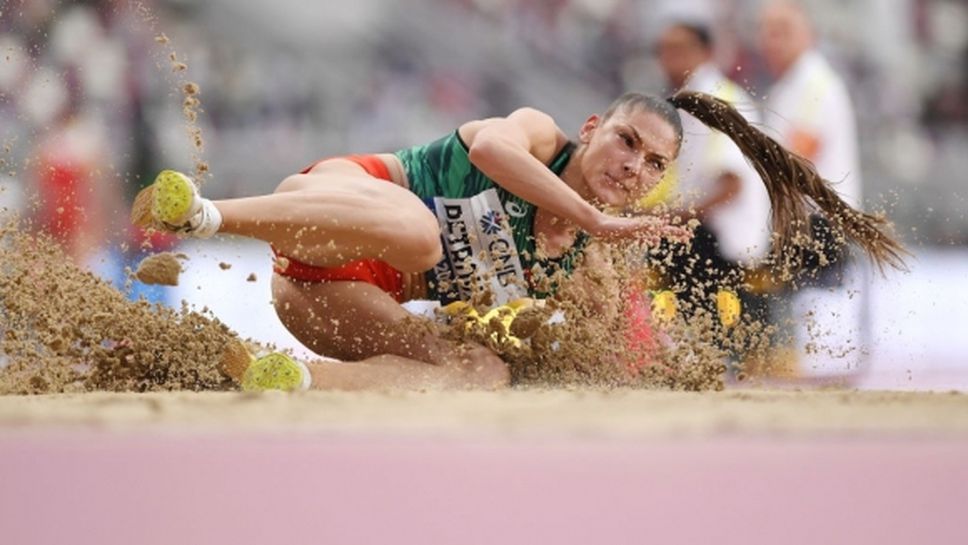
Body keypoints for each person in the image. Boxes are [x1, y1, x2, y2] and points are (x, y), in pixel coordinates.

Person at [133, 91, 905, 392]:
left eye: (654, 165)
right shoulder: (538, 137)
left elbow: (613, 355)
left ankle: (282, 380)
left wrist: (679, 373)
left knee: (480, 370)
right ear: (595, 128)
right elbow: (485, 152)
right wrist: (595, 218)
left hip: (328, 301)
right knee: (421, 232)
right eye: (627, 142)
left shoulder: (591, 265)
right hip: (335, 207)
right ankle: (201, 214)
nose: (632, 167)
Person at [758, 0, 871, 379]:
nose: (772, 41)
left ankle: (765, 352)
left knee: (726, 245)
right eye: (768, 31)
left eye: (783, 31)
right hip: (796, 221)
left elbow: (793, 158)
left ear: (809, 37)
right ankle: (762, 351)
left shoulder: (813, 83)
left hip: (820, 224)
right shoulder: (790, 86)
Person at [652, 21, 771, 323]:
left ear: (706, 53)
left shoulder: (716, 100)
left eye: (679, 49)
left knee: (646, 246)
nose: (669, 58)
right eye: (664, 50)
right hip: (707, 229)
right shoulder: (688, 100)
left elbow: (732, 185)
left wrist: (671, 218)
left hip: (724, 238)